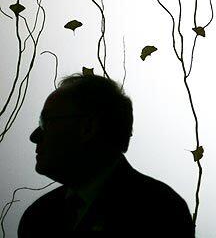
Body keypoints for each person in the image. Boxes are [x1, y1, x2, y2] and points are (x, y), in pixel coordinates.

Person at [18, 73, 194, 237]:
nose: (34, 136)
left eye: (45, 122)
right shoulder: (37, 215)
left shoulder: (161, 210)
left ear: (88, 128)